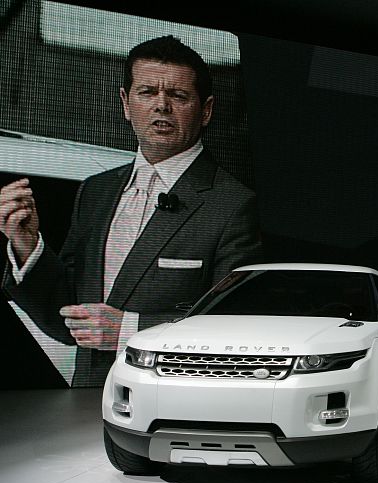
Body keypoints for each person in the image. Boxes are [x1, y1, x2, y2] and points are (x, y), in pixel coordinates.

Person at [0, 35, 262, 387]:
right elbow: (69, 320)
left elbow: (233, 322)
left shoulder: (232, 204)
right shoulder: (96, 191)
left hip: (171, 405)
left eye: (178, 96)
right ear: (126, 103)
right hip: (84, 403)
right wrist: (27, 245)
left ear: (207, 110)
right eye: (147, 92)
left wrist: (128, 330)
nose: (161, 106)